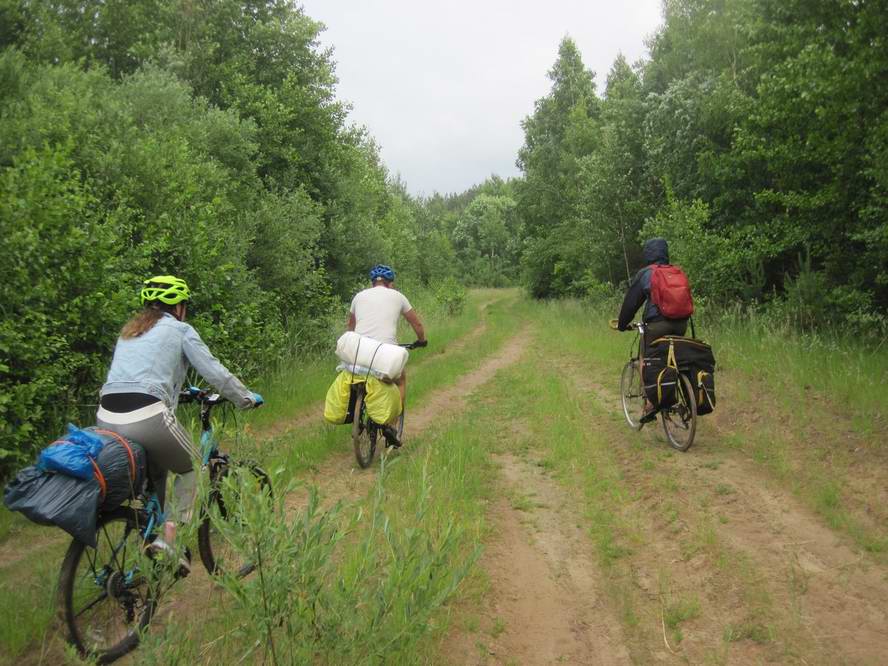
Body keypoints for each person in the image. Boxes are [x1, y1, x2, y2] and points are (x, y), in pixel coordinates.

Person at [96, 275, 262, 573]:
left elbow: (137, 376)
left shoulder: (129, 332)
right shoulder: (180, 329)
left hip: (106, 416)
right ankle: (169, 541)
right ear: (180, 306)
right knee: (191, 466)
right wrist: (245, 398)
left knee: (156, 472)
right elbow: (216, 373)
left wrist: (179, 392)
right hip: (146, 415)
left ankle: (150, 538)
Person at [346, 264, 426, 445]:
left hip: (359, 350)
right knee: (401, 380)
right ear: (391, 283)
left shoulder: (358, 297)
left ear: (373, 283)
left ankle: (356, 418)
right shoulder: (398, 297)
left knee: (354, 377)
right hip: (385, 352)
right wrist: (421, 340)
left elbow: (350, 327)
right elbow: (417, 325)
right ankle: (391, 425)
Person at [617, 238, 690, 421]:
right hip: (681, 324)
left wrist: (622, 324)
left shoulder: (646, 274)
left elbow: (631, 304)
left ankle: (650, 403)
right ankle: (675, 395)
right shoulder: (676, 272)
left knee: (646, 358)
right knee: (670, 359)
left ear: (648, 254)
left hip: (657, 325)